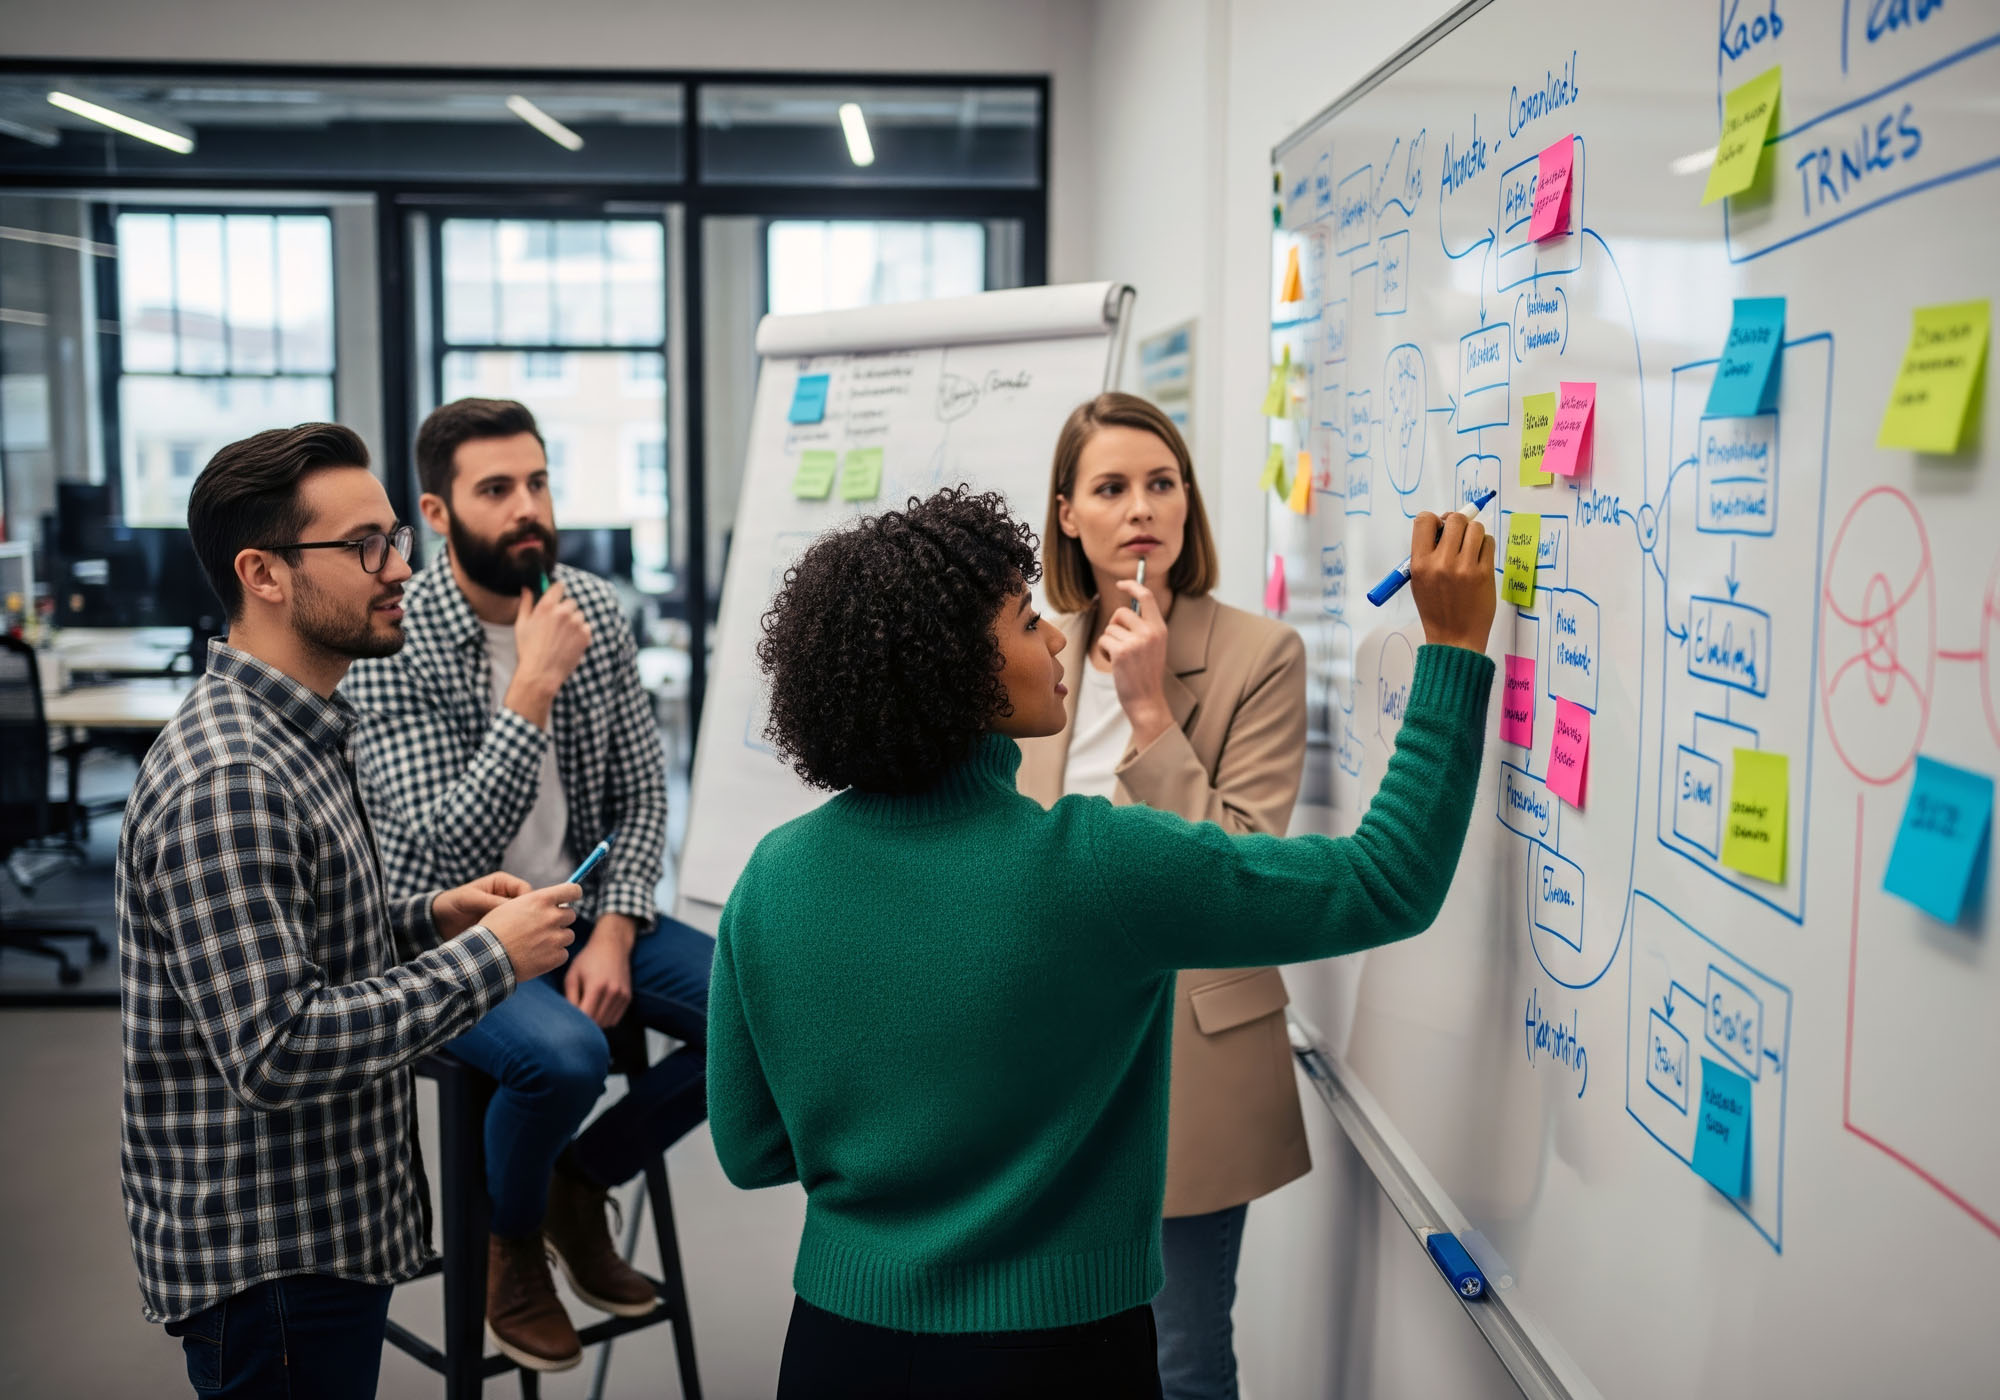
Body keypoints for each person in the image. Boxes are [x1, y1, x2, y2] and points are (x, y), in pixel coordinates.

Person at [708, 486, 1498, 1399]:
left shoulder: (773, 875)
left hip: (838, 1348)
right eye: (1026, 620)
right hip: (1057, 1353)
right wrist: (1451, 651)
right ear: (951, 670)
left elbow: (748, 1149)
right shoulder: (1095, 864)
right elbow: (1385, 880)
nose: (1054, 640)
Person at [118, 423, 580, 1400]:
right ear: (265, 573)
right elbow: (278, 1044)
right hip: (272, 1262)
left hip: (319, 1229)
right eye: (365, 544)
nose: (402, 566)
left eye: (393, 538)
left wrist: (429, 916)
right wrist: (490, 959)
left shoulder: (303, 729)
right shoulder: (232, 772)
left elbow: (303, 940)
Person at [343, 397, 711, 1373]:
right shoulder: (392, 635)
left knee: (766, 1005)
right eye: (496, 488)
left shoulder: (591, 605)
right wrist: (531, 688)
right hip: (454, 933)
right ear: (435, 508)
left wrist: (618, 925)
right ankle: (510, 1241)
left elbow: (641, 795)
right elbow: (433, 850)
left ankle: (574, 1180)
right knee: (565, 1054)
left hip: (586, 903)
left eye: (537, 481)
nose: (526, 507)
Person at [1014, 393, 1305, 1399]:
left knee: (1178, 1357)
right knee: (1051, 1346)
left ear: (1186, 500)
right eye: (1109, 486)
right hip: (1043, 1050)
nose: (1140, 506)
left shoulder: (1258, 655)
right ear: (1066, 515)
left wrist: (1145, 706)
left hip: (1185, 1047)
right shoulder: (1028, 651)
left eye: (1160, 481)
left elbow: (1240, 873)